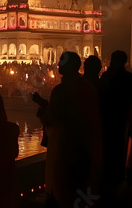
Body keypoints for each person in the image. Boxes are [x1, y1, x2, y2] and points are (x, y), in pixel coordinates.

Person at [37, 52, 102, 207]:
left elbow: (51, 119)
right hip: (86, 149)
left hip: (65, 150)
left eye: (61, 62)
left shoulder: (61, 90)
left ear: (69, 67)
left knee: (63, 193)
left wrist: (41, 113)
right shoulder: (87, 88)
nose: (58, 64)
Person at [99, 50, 132, 201]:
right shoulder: (129, 78)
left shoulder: (108, 77)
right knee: (120, 150)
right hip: (123, 121)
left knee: (108, 152)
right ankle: (117, 181)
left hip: (108, 120)